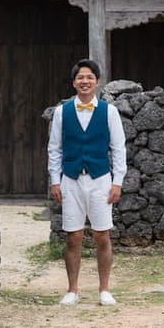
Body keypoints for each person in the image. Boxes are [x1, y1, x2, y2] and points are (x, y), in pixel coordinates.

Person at [48, 58, 127, 306]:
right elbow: (54, 149)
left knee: (102, 235)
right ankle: (72, 290)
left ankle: (104, 289)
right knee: (73, 236)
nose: (85, 81)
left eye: (89, 77)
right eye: (80, 77)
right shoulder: (62, 112)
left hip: (100, 179)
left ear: (97, 82)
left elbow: (119, 148)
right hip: (71, 179)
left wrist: (117, 182)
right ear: (74, 82)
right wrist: (55, 181)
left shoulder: (109, 111)